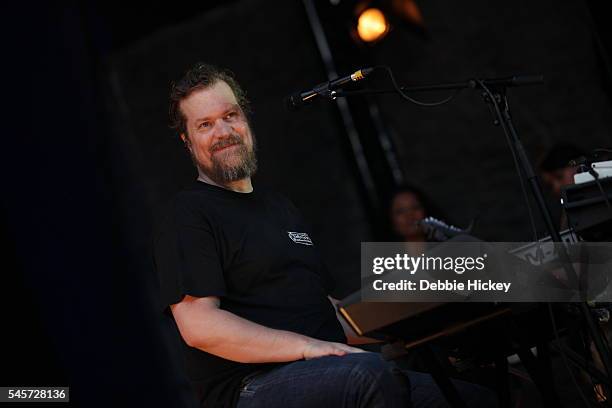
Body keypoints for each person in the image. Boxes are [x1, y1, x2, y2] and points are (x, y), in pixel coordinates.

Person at [154, 62, 497, 408]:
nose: (223, 131)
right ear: (187, 141)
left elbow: (325, 309)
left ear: (246, 118)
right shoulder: (188, 213)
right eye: (205, 125)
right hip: (251, 386)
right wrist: (306, 348)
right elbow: (199, 326)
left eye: (230, 115)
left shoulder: (279, 207)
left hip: (328, 369)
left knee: (472, 398)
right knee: (369, 375)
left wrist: (400, 332)